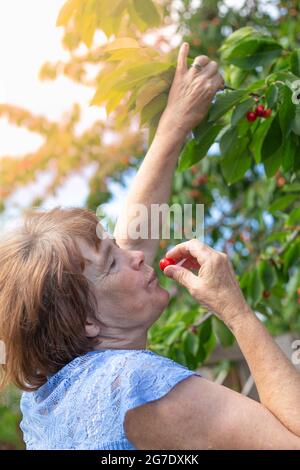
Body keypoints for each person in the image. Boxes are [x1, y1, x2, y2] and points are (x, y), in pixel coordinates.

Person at [0, 43, 299, 450]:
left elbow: (127, 243)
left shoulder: (47, 399)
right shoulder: (138, 387)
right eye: (111, 261)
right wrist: (235, 310)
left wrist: (175, 123)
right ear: (87, 321)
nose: (136, 253)